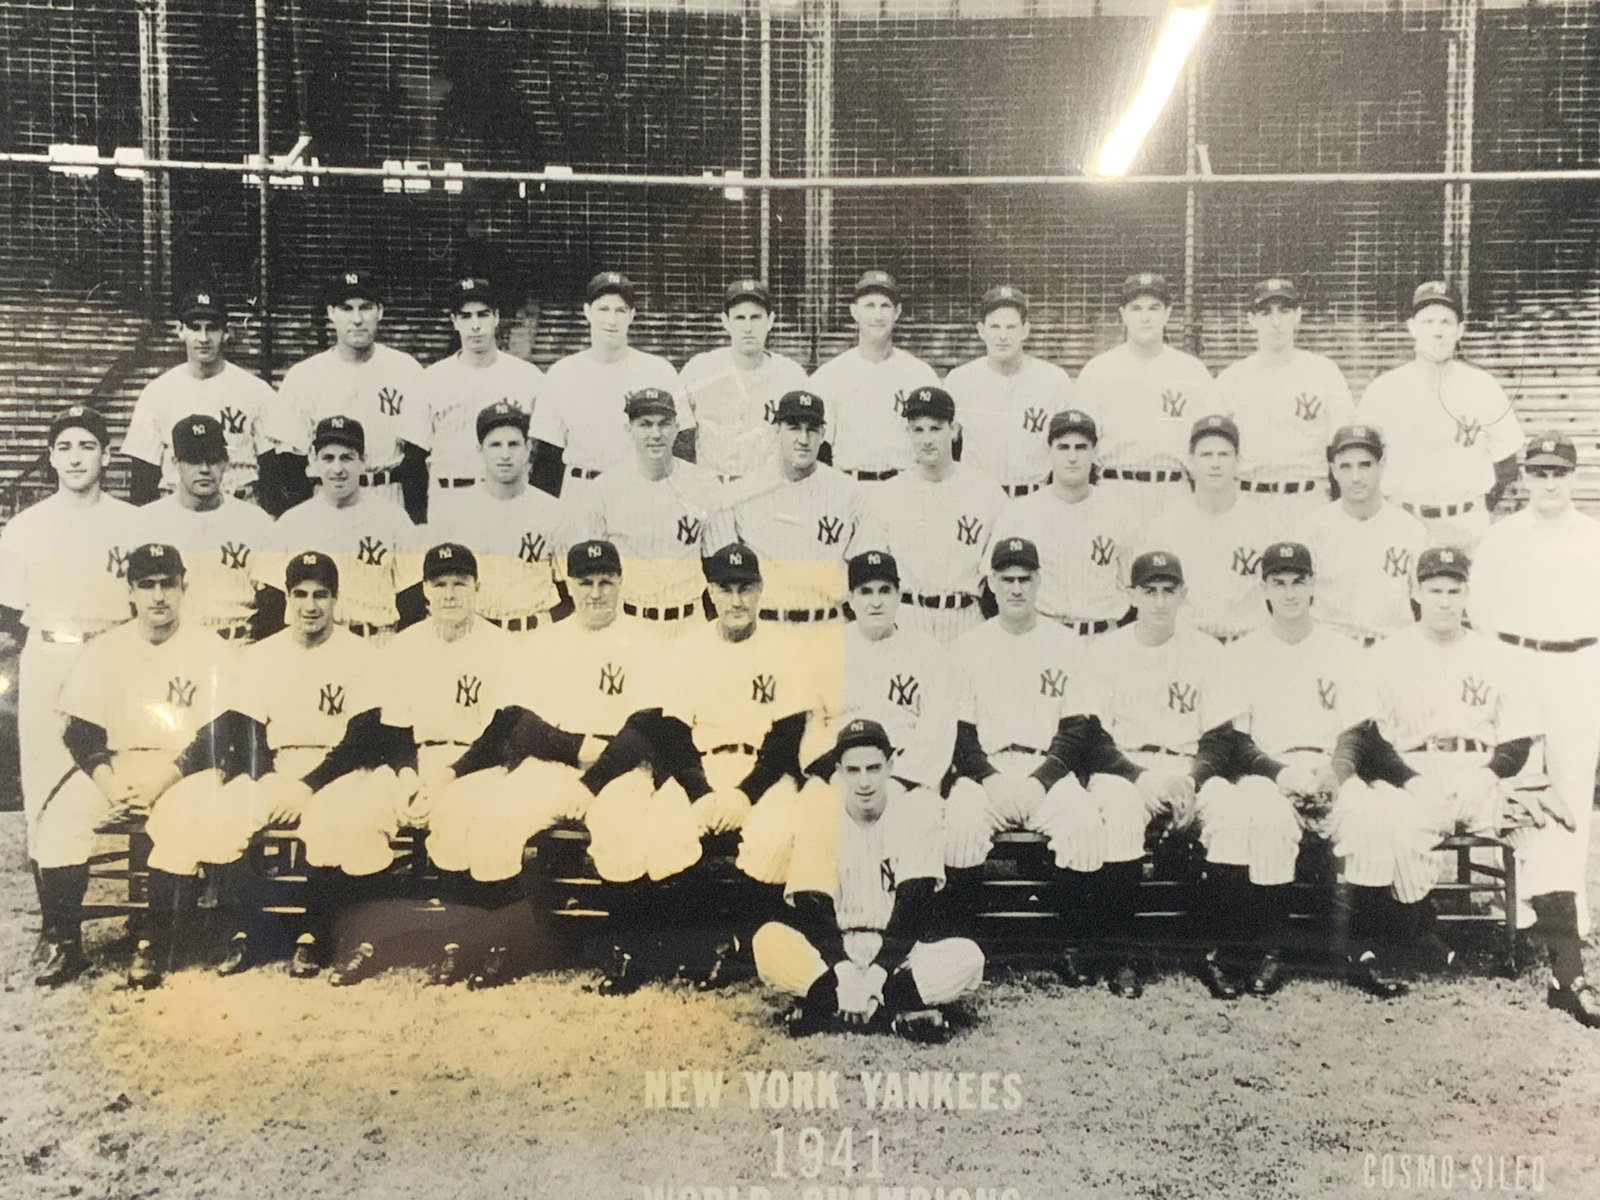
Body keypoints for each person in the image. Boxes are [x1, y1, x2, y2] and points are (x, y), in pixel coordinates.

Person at [1331, 545, 1594, 1021]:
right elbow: (1368, 739)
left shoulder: (1496, 656)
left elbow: (1517, 739)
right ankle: (1380, 943)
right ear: (1415, 592)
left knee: (1545, 829)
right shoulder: (1386, 654)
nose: (1445, 601)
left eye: (1454, 591)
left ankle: (1568, 976)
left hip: (1479, 772)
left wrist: (1487, 775)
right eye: (1435, 591)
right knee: (1382, 827)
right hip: (1411, 773)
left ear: (1468, 594)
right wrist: (1413, 783)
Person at [140, 551, 395, 980]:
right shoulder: (261, 655)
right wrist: (267, 777)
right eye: (300, 594)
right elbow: (245, 729)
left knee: (335, 822)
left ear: (336, 599)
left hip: (341, 769)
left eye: (320, 595)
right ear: (287, 597)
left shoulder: (362, 654)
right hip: (281, 766)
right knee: (226, 816)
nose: (310, 605)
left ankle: (312, 935)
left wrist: (306, 787)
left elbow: (362, 738)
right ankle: (248, 931)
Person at [941, 537, 1159, 996]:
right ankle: (965, 947)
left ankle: (1072, 946)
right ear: (991, 583)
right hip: (988, 772)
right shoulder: (967, 647)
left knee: (1083, 826)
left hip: (1049, 769)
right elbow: (959, 735)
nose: (1016, 588)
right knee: (959, 827)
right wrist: (992, 781)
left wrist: (1040, 782)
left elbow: (1077, 730)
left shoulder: (1066, 644)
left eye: (1025, 578)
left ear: (1040, 581)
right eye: (1006, 579)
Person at [1194, 542, 1399, 998]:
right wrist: (1280, 774)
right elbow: (1233, 739)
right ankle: (1272, 951)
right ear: (1264, 588)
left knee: (1371, 819)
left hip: (1330, 767)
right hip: (1269, 770)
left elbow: (1358, 730)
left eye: (1298, 582)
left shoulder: (1343, 650)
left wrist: (1336, 773)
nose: (1289, 592)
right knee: (1267, 821)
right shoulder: (1241, 652)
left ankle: (1364, 952)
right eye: (1278, 582)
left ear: (1312, 585)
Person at [31, 545, 238, 988]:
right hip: (118, 766)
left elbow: (219, 732)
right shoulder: (106, 647)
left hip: (183, 769)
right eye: (147, 585)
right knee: (60, 822)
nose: (158, 595)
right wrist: (109, 787)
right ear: (130, 591)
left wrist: (162, 782)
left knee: (180, 825)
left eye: (168, 584)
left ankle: (152, 944)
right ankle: (66, 944)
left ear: (184, 587)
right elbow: (80, 731)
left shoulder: (210, 647)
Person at [325, 543, 515, 986]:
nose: (450, 594)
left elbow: (501, 732)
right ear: (425, 590)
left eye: (459, 583)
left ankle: (459, 945)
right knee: (362, 814)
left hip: (475, 763)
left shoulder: (501, 645)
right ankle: (365, 940)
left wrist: (446, 778)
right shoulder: (404, 645)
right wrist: (409, 779)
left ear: (477, 587)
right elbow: (394, 728)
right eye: (439, 584)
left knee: (456, 817)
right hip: (415, 760)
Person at [753, 719, 985, 1042]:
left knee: (968, 958)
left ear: (890, 765)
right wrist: (844, 972)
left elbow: (913, 908)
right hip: (835, 950)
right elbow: (813, 908)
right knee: (768, 941)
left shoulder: (915, 812)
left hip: (897, 951)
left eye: (874, 768)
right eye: (854, 770)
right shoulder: (822, 815)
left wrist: (877, 975)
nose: (864, 781)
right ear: (839, 772)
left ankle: (828, 1008)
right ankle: (892, 1014)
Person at [1470, 434, 1600, 945]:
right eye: (1539, 473)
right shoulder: (1502, 537)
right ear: (1524, 477)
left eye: (1558, 473)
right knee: (1519, 786)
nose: (1549, 483)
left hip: (1577, 665)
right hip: (1517, 662)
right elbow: (1480, 610)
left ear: (1574, 477)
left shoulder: (1592, 536)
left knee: (1572, 785)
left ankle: (1571, 914)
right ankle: (1520, 910)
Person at [1083, 551, 1230, 996]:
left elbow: (1220, 737)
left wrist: (1192, 780)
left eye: (1169, 591)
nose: (1160, 602)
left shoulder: (1208, 651)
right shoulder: (1105, 651)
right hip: (1127, 767)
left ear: (1184, 594)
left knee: (1229, 809)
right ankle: (1122, 953)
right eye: (1150, 591)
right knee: (1119, 810)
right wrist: (1141, 777)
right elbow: (1094, 738)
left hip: (1187, 765)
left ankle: (1217, 952)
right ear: (1131, 595)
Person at [0, 405, 138, 866]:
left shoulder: (134, 523)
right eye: (65, 447)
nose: (76, 457)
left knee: (124, 771)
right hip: (51, 656)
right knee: (46, 781)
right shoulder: (25, 527)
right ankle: (56, 907)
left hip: (114, 654)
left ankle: (142, 902)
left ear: (107, 455)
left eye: (87, 446)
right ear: (51, 457)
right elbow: (8, 613)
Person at [1354, 280, 1524, 548]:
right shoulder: (1384, 390)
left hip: (1466, 525)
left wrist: (1476, 506)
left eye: (1446, 322)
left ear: (1460, 330)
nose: (1437, 332)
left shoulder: (1483, 387)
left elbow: (1507, 464)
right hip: (1403, 521)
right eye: (1428, 322)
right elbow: (1361, 460)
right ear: (1412, 327)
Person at [261, 270, 429, 520]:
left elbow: (417, 459)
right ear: (331, 313)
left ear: (380, 311)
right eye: (347, 309)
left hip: (387, 493)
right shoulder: (304, 376)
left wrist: (417, 520)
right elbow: (291, 464)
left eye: (366, 308)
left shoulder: (406, 370)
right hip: (327, 499)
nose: (357, 319)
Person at [564, 388, 722, 637]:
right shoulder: (604, 489)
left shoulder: (704, 485)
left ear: (677, 427)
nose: (655, 434)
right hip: (628, 623)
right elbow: (587, 571)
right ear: (629, 429)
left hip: (690, 623)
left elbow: (718, 563)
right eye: (645, 425)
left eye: (664, 424)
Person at [1073, 272, 1214, 537]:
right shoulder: (1098, 371)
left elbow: (1209, 445)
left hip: (1173, 491)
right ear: (1123, 314)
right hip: (1115, 488)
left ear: (1168, 313)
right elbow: (1079, 445)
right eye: (1136, 308)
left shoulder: (1192, 372)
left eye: (1153, 308)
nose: (1145, 317)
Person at [862, 385, 1005, 643]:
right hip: (907, 616)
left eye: (936, 428)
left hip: (964, 618)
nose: (926, 440)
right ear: (908, 432)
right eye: (918, 429)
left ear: (954, 430)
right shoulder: (887, 493)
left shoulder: (986, 492)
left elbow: (999, 574)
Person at [527, 271, 689, 497]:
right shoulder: (561, 373)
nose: (611, 320)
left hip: (638, 490)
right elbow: (547, 457)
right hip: (581, 488)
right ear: (587, 311)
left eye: (620, 310)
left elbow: (682, 446)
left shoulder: (658, 370)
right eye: (603, 309)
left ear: (632, 315)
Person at [716, 390, 867, 626]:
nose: (803, 440)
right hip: (765, 625)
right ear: (776, 430)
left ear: (823, 434)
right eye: (794, 428)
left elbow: (864, 572)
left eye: (812, 430)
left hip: (826, 623)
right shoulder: (742, 492)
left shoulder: (848, 492)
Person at [268, 416, 422, 642]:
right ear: (314, 461)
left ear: (363, 461)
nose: (337, 469)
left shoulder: (393, 518)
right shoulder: (291, 523)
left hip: (374, 639)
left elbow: (413, 595)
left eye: (347, 458)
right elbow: (273, 601)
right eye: (328, 458)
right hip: (314, 644)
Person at [1213, 277, 1354, 516]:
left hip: (1307, 500)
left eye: (1285, 311)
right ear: (1251, 319)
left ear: (1298, 315)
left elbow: (1344, 447)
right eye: (1266, 313)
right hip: (1249, 499)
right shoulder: (1232, 379)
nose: (1276, 322)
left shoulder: (1324, 373)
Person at [820, 550, 955, 796]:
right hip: (840, 775)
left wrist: (898, 782)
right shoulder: (826, 648)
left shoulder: (928, 651)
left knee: (921, 810)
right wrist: (835, 775)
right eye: (866, 592)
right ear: (850, 599)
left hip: (908, 778)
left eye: (884, 591)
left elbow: (938, 731)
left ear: (899, 596)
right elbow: (813, 726)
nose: (876, 602)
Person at [121, 288, 274, 504]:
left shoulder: (256, 391)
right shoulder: (157, 393)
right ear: (180, 330)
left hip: (238, 506)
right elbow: (143, 477)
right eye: (195, 327)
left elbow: (275, 470)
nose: (203, 338)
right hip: (176, 509)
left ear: (226, 332)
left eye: (212, 328)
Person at [988, 409, 1133, 637]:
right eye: (1063, 447)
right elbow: (993, 585)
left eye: (1081, 447)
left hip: (1101, 636)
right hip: (1043, 636)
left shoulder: (1119, 513)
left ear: (1095, 451)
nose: (1072, 457)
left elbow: (1136, 587)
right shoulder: (1019, 512)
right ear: (1049, 451)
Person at [427, 402, 565, 634]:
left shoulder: (553, 510)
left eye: (513, 444)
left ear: (528, 448)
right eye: (495, 445)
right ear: (479, 450)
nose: (505, 455)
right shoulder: (454, 512)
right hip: (476, 634)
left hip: (534, 632)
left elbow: (569, 586)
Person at [1144, 415, 1283, 642]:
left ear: (1238, 460)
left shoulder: (1266, 523)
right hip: (1187, 645)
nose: (1215, 463)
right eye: (1206, 455)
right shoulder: (1165, 525)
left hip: (1246, 645)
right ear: (1190, 460)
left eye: (1224, 454)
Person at [140, 414, 277, 643]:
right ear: (175, 463)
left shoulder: (254, 521)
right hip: (173, 646)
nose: (204, 469)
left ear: (226, 462)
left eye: (212, 460)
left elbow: (274, 600)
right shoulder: (147, 521)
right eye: (193, 460)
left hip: (237, 643)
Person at [1296, 424, 1429, 645]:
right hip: (1331, 649)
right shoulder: (1313, 529)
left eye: (1365, 465)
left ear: (1381, 465)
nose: (1356, 477)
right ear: (1333, 470)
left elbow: (1425, 605)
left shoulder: (1410, 530)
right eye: (1346, 467)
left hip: (1389, 648)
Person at [419, 276, 544, 505]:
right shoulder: (431, 379)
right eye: (466, 316)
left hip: (510, 498)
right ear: (454, 321)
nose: (475, 325)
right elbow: (417, 455)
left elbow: (542, 450)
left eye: (482, 314)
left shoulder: (528, 376)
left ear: (496, 317)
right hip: (451, 496)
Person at [943, 285, 1074, 498]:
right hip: (977, 497)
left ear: (1026, 330)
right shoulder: (960, 380)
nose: (1002, 336)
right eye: (995, 327)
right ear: (981, 330)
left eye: (1011, 327)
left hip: (1033, 496)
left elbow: (1070, 448)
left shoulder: (1054, 380)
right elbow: (942, 445)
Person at [809, 270, 939, 483]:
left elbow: (936, 445)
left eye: (885, 306)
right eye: (869, 306)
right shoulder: (829, 376)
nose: (878, 316)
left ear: (897, 312)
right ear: (854, 311)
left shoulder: (920, 375)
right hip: (851, 485)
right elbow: (818, 447)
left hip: (905, 486)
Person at [679, 279, 809, 483]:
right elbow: (677, 436)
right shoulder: (700, 370)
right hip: (711, 488)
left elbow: (804, 443)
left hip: (767, 488)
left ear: (770, 320)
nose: (748, 328)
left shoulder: (791, 376)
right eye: (739, 318)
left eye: (756, 317)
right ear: (725, 321)